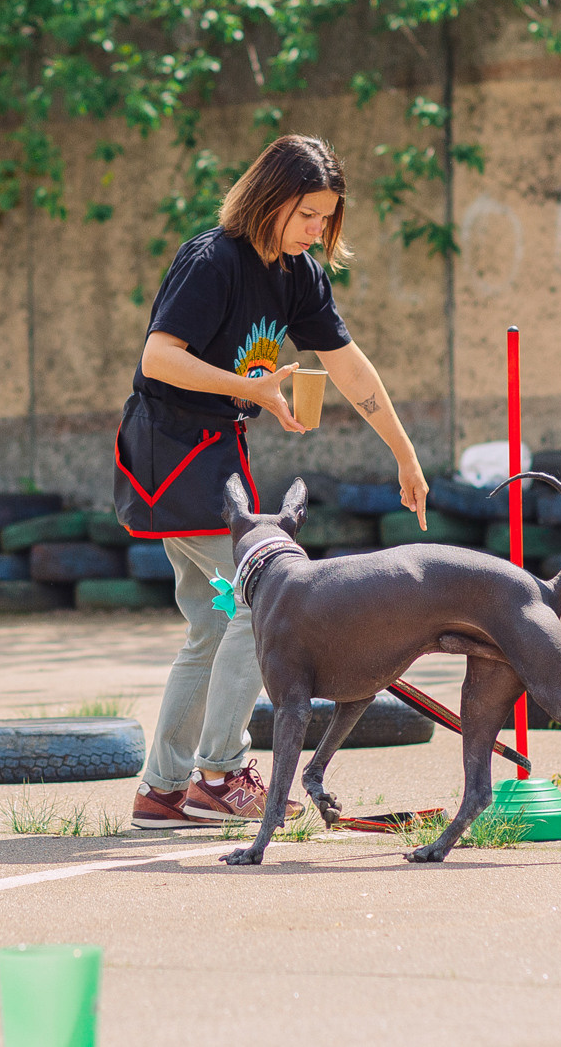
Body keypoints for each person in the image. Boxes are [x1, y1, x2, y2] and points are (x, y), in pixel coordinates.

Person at [115, 134, 431, 829]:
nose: (317, 230)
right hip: (172, 451)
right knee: (257, 604)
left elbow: (348, 365)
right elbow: (158, 358)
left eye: (327, 218)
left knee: (213, 623)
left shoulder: (298, 275)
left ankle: (162, 791)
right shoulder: (212, 260)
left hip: (217, 452)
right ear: (269, 200)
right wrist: (251, 389)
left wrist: (404, 453)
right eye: (307, 215)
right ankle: (220, 775)